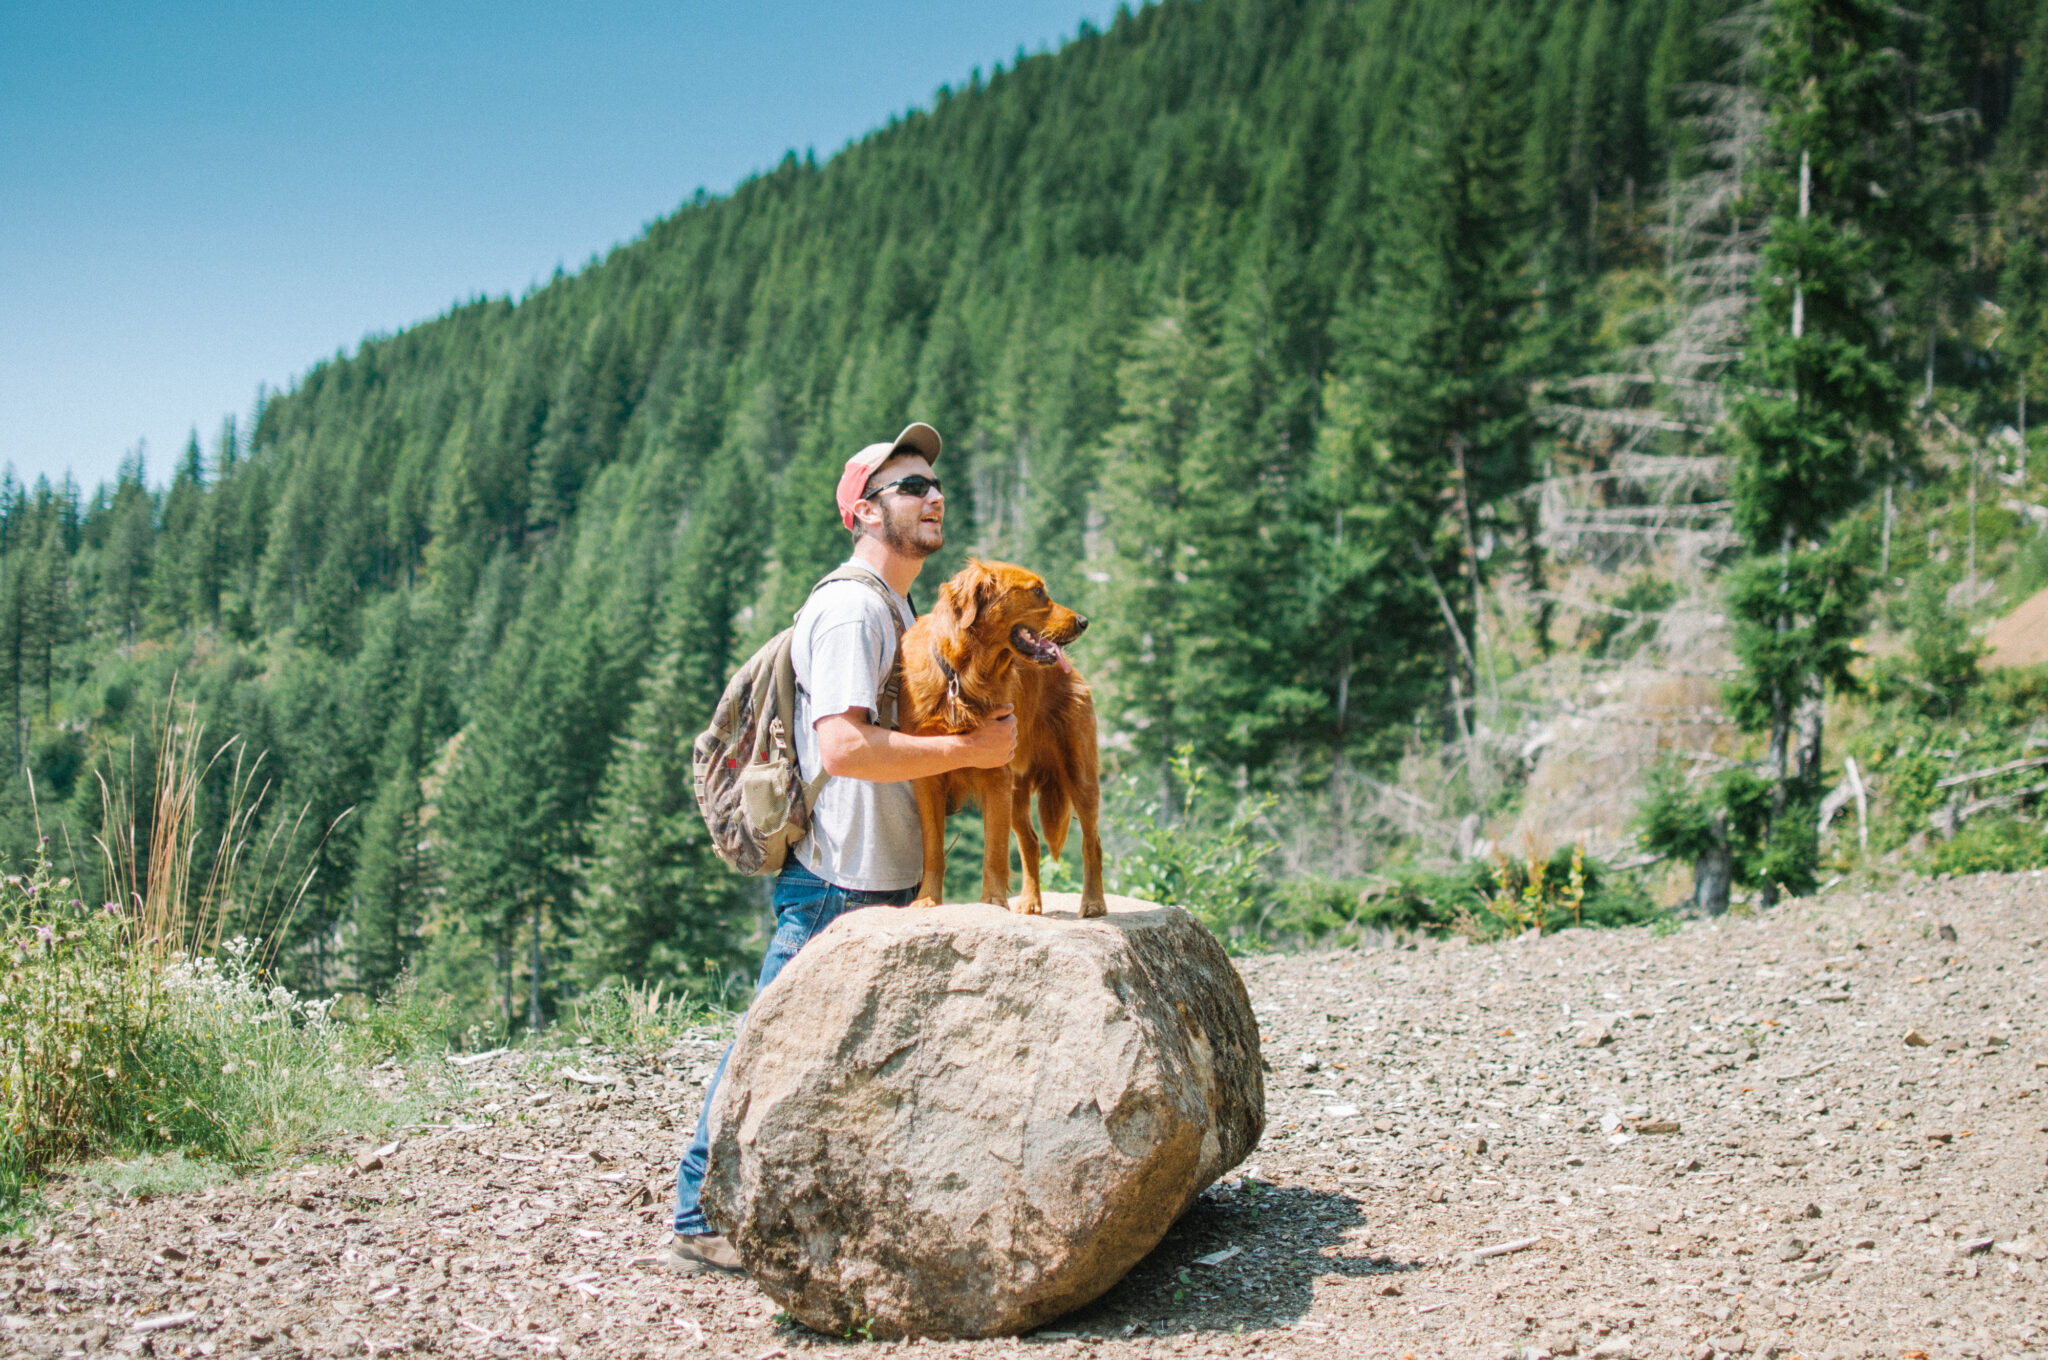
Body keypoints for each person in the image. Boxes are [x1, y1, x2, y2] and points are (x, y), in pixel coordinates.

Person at [669, 421, 1019, 1273]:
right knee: (769, 1045)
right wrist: (970, 753)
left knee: (845, 1060)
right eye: (910, 487)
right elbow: (845, 749)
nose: (933, 496)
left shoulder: (898, 607)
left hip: (887, 877)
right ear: (864, 512)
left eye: (935, 485)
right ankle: (693, 1215)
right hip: (839, 882)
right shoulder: (852, 607)